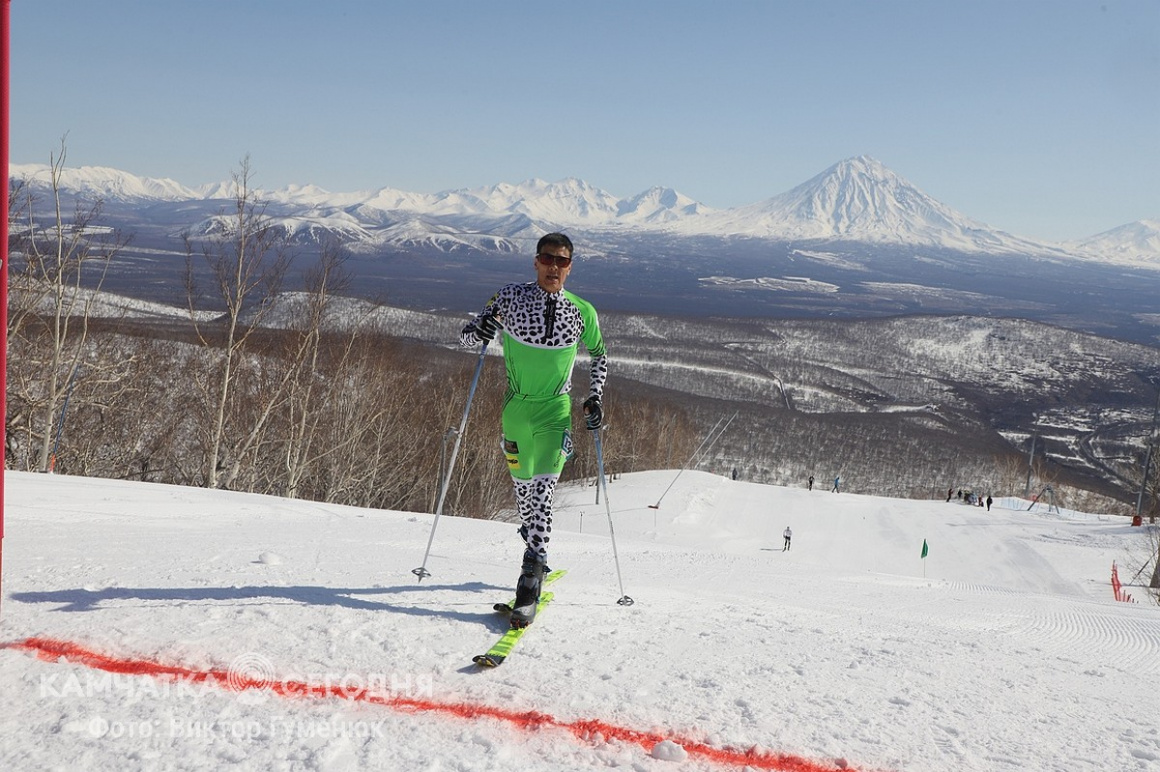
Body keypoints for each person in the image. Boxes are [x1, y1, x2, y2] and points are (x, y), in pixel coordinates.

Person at [460, 233, 607, 629]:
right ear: (536, 262)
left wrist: (594, 397)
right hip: (516, 411)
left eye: (562, 261)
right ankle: (533, 535)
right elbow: (466, 337)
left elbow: (600, 355)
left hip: (554, 411)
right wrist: (484, 326)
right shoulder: (508, 297)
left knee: (543, 491)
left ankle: (530, 577)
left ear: (570, 266)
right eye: (547, 259)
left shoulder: (582, 311)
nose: (554, 267)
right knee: (524, 496)